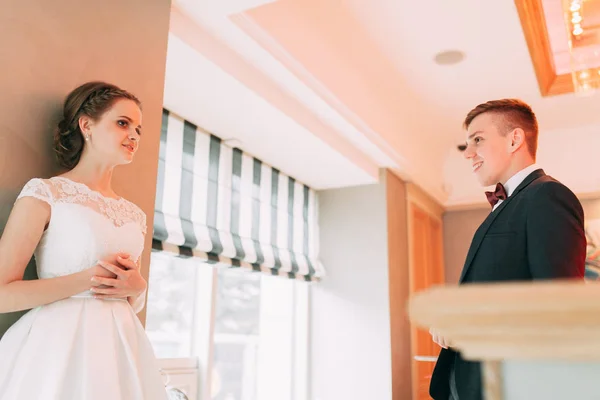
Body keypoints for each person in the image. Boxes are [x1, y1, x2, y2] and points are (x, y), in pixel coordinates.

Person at [0, 81, 168, 399]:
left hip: (122, 350)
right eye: (123, 123)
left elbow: (128, 293)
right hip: (57, 347)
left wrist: (139, 289)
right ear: (87, 125)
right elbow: (2, 293)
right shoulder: (45, 193)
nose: (134, 136)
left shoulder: (135, 215)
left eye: (139, 129)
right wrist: (87, 279)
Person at [429, 99, 586, 400]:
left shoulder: (547, 196)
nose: (469, 154)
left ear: (515, 139)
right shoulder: (509, 204)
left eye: (478, 140)